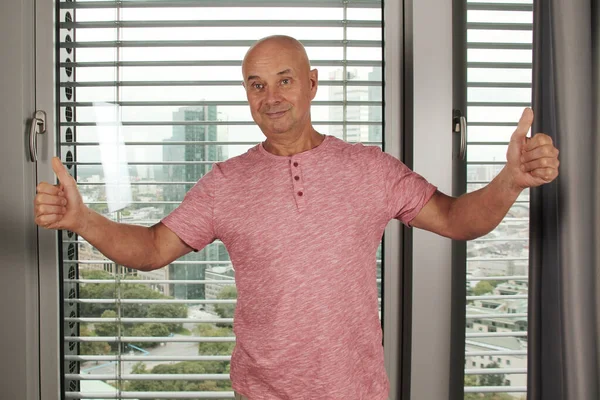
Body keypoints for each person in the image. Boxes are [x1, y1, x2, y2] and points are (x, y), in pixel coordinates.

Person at [34, 35, 559, 400]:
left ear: (311, 84)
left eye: (284, 80)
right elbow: (151, 250)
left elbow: (456, 219)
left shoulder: (369, 168)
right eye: (256, 85)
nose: (270, 97)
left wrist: (510, 179)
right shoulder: (226, 182)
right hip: (260, 391)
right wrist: (84, 220)